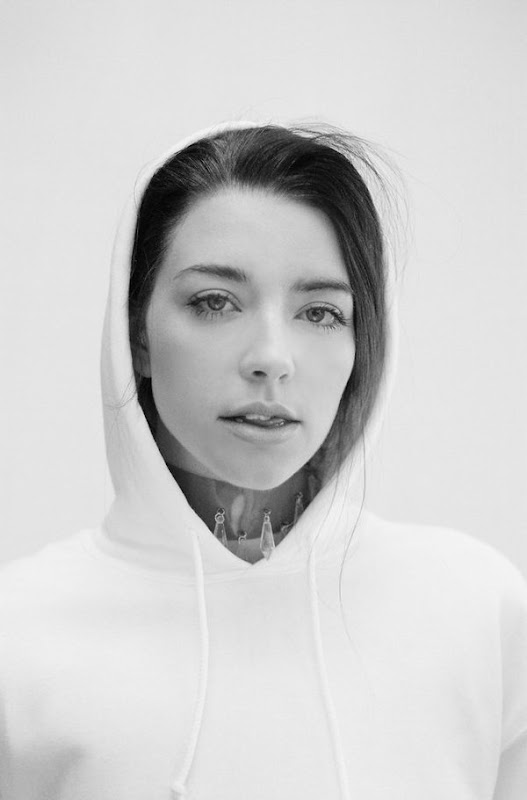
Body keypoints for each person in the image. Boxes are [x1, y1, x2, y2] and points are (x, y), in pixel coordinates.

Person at [0, 119, 525, 800]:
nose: (271, 358)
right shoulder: (20, 631)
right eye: (215, 302)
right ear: (137, 335)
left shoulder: (477, 610)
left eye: (321, 313)